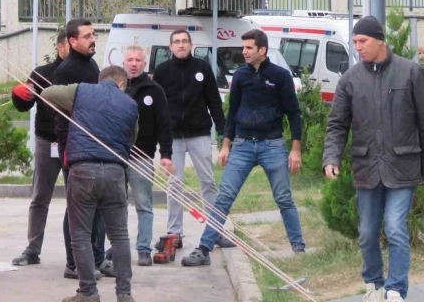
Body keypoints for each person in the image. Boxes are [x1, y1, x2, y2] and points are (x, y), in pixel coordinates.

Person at [323, 16, 424, 302]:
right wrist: (331, 157)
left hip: (402, 166)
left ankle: (396, 288)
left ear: (379, 40)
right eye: (355, 43)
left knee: (396, 228)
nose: (358, 47)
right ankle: (374, 284)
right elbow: (337, 123)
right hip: (367, 167)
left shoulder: (411, 73)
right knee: (367, 233)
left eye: (362, 41)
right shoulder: (350, 79)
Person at [181, 29, 305, 266]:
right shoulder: (239, 76)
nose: (244, 52)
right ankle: (204, 249)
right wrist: (225, 145)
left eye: (249, 48)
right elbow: (232, 113)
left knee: (284, 198)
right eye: (243, 47)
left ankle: (298, 248)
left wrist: (295, 149)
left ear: (262, 50)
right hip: (243, 145)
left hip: (272, 145)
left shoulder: (280, 76)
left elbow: (294, 114)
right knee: (224, 197)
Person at [43, 66, 138, 302]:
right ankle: (124, 294)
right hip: (116, 172)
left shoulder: (81, 91)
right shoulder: (130, 105)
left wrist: (68, 108)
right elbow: (131, 139)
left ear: (100, 81)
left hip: (82, 170)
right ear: (122, 84)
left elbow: (46, 94)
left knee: (81, 236)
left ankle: (88, 294)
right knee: (120, 236)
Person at [153, 29, 232, 254]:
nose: (180, 45)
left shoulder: (203, 68)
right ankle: (174, 233)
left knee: (208, 182)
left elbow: (214, 102)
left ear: (191, 45)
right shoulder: (162, 71)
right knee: (174, 184)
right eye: (176, 42)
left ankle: (214, 231)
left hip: (199, 134)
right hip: (173, 137)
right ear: (170, 47)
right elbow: (158, 109)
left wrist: (224, 135)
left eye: (184, 41)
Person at [10, 31, 69, 266]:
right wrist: (19, 96)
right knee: (39, 197)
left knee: (77, 199)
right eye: (69, 45)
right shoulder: (42, 74)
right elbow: (25, 106)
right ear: (60, 47)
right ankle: (32, 249)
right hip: (46, 141)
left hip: (73, 142)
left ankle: (77, 253)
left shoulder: (83, 72)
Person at [53, 18, 106, 279]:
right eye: (87, 36)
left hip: (94, 144)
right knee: (77, 207)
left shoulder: (92, 64)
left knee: (96, 203)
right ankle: (73, 263)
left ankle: (96, 258)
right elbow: (61, 114)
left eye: (93, 34)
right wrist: (67, 149)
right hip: (74, 147)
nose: (92, 39)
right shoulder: (66, 70)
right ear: (72, 41)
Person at [122, 45, 174, 266]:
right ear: (123, 62)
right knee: (115, 206)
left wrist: (166, 154)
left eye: (138, 60)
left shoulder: (154, 90)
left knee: (144, 205)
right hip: (116, 156)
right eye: (130, 60)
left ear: (144, 63)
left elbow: (164, 124)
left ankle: (143, 248)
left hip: (141, 157)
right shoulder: (115, 86)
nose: (134, 64)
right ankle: (116, 249)